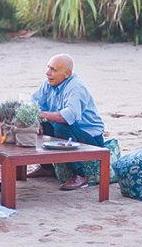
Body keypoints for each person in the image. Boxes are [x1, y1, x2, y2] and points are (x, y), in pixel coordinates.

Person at [27, 53, 105, 191]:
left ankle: (80, 176)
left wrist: (41, 115)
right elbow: (32, 103)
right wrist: (36, 119)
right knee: (39, 124)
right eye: (48, 68)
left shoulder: (75, 87)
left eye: (53, 70)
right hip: (68, 131)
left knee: (60, 127)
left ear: (67, 73)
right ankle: (46, 168)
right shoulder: (49, 83)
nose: (47, 73)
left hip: (91, 138)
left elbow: (69, 117)